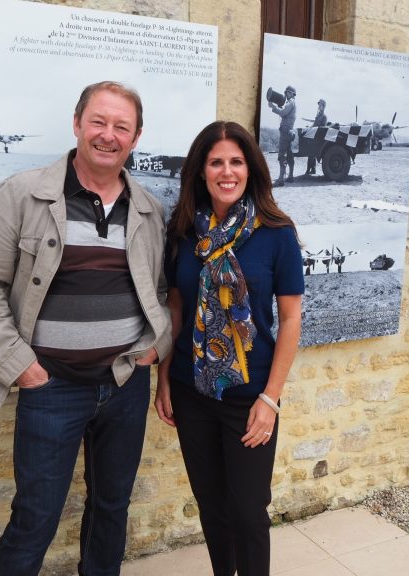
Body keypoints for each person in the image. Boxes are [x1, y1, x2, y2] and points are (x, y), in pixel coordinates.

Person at [0, 80, 172, 576]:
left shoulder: (147, 209)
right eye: (98, 121)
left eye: (122, 126)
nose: (108, 135)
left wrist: (150, 349)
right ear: (77, 123)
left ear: (136, 137)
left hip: (124, 387)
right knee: (35, 517)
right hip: (50, 386)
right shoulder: (22, 194)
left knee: (111, 508)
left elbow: (159, 291)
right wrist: (21, 366)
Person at [154, 121, 304, 576]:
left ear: (250, 169)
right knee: (212, 507)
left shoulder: (275, 232)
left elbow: (292, 318)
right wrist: (162, 380)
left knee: (248, 510)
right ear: (201, 171)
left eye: (236, 161)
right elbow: (176, 312)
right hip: (190, 387)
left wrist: (270, 399)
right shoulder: (183, 232)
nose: (226, 171)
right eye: (216, 162)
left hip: (249, 392)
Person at [268, 85, 297, 186]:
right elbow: (285, 113)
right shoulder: (292, 103)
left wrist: (273, 107)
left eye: (288, 92)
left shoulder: (291, 102)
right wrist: (278, 108)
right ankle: (291, 176)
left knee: (281, 155)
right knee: (289, 154)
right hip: (289, 132)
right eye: (286, 92)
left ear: (292, 94)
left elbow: (284, 113)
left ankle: (281, 179)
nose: (286, 94)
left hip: (285, 132)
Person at [304, 99, 327, 175]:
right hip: (314, 136)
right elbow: (314, 125)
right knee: (310, 153)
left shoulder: (324, 116)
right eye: (319, 105)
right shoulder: (318, 115)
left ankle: (310, 169)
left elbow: (323, 128)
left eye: (321, 105)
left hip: (319, 138)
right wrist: (309, 128)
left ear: (324, 106)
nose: (319, 106)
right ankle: (312, 169)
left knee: (311, 153)